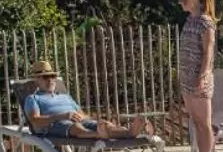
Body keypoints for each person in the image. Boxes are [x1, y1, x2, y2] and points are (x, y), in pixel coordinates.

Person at [21, 59, 152, 141]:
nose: (50, 80)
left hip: (79, 122)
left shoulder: (65, 96)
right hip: (55, 126)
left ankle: (130, 132)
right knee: (74, 126)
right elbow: (35, 121)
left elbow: (82, 113)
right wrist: (62, 116)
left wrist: (84, 117)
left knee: (104, 123)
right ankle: (98, 134)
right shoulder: (33, 98)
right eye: (45, 77)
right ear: (37, 80)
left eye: (52, 76)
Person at [176, 0, 217, 152]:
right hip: (186, 77)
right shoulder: (190, 20)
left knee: (204, 123)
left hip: (199, 78)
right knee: (196, 122)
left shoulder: (206, 22)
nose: (179, 3)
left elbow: (208, 52)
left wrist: (203, 76)